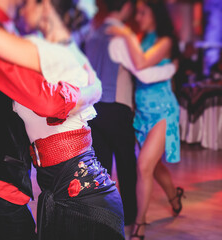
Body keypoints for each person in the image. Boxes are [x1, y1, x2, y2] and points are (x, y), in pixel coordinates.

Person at [0, 0, 126, 239]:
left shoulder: (40, 49)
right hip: (71, 188)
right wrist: (93, 91)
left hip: (80, 194)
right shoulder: (69, 51)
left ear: (45, 5)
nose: (23, 9)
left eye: (28, 3)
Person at [83, 0, 177, 226]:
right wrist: (171, 68)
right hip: (117, 107)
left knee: (102, 168)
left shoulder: (91, 35)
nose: (136, 15)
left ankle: (102, 219)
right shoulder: (119, 39)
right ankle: (132, 218)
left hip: (95, 110)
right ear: (125, 6)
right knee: (127, 167)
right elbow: (140, 71)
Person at [107, 0, 185, 238]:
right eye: (137, 12)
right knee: (153, 166)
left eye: (142, 12)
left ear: (155, 13)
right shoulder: (139, 40)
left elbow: (140, 64)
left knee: (143, 166)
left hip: (163, 111)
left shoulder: (165, 42)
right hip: (142, 112)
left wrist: (126, 34)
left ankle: (140, 224)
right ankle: (174, 195)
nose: (138, 16)